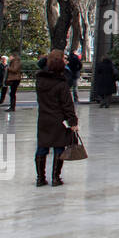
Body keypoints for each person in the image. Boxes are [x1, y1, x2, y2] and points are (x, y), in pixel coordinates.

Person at [34, 49, 77, 187]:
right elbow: (67, 105)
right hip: (59, 120)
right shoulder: (61, 83)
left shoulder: (40, 81)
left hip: (44, 118)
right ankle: (55, 178)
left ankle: (40, 178)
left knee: (42, 147)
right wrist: (73, 121)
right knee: (59, 147)